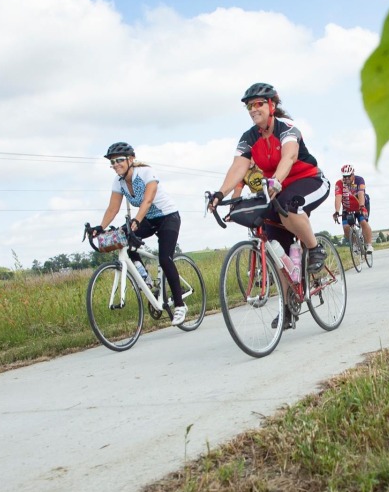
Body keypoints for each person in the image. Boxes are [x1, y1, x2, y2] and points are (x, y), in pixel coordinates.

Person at [209, 83, 331, 328]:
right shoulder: (249, 137)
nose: (253, 109)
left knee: (290, 207)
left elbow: (289, 157)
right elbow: (238, 168)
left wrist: (276, 180)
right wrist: (220, 194)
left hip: (309, 180)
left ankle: (315, 248)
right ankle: (288, 309)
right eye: (249, 106)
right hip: (277, 189)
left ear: (271, 106)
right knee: (278, 250)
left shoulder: (287, 128)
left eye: (258, 104)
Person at [91, 142, 187, 325]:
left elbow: (149, 199)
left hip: (168, 217)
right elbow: (112, 208)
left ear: (131, 159)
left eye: (119, 160)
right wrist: (100, 227)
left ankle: (180, 306)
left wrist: (136, 220)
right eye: (112, 162)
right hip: (147, 219)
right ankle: (148, 281)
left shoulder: (145, 172)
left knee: (165, 258)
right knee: (126, 243)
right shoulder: (118, 182)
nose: (115, 164)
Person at [332, 163, 373, 254]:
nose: (346, 179)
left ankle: (369, 244)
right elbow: (338, 197)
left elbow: (361, 193)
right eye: (344, 177)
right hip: (348, 207)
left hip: (360, 204)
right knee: (346, 227)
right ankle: (355, 243)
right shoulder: (339, 183)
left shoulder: (359, 180)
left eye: (348, 176)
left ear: (353, 174)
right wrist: (337, 211)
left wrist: (362, 207)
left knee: (363, 222)